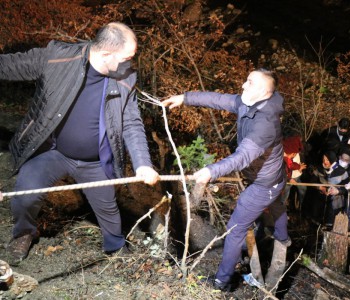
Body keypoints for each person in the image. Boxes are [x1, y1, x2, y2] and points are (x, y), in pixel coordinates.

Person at [0, 22, 159, 264]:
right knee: (25, 196)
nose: (129, 63)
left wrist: (143, 164)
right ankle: (24, 234)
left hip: (95, 161)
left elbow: (131, 123)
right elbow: (12, 65)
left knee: (109, 212)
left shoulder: (126, 78)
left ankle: (115, 247)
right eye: (126, 57)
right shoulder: (58, 58)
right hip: (53, 151)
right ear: (106, 54)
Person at [163, 68, 289, 291]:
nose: (243, 85)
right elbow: (218, 99)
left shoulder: (265, 125)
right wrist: (185, 98)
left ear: (263, 91)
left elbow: (242, 157)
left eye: (249, 82)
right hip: (272, 175)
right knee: (276, 202)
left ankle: (222, 281)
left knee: (235, 229)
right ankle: (282, 236)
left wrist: (213, 170)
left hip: (264, 183)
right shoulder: (249, 102)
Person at [281, 135, 307, 211]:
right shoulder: (281, 159)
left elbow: (292, 165)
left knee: (303, 189)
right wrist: (289, 179)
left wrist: (299, 167)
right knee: (285, 193)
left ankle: (301, 206)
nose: (295, 155)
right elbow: (283, 171)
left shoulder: (294, 153)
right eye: (294, 154)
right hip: (286, 180)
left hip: (296, 176)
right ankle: (281, 207)